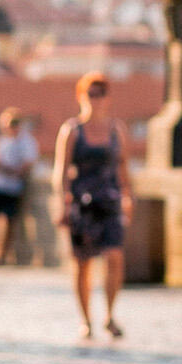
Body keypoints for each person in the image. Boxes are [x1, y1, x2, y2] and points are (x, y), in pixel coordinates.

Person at [53, 73, 131, 339]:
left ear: (108, 98)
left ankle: (110, 314)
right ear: (82, 97)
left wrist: (128, 195)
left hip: (110, 200)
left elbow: (123, 166)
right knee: (83, 263)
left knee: (114, 257)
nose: (96, 99)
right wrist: (62, 200)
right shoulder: (72, 130)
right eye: (91, 94)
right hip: (82, 202)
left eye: (101, 94)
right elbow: (61, 170)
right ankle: (86, 319)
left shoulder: (116, 129)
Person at [0, 108, 36, 265]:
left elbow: (26, 167)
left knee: (8, 221)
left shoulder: (27, 142)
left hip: (13, 187)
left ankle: (3, 254)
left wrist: (6, 167)